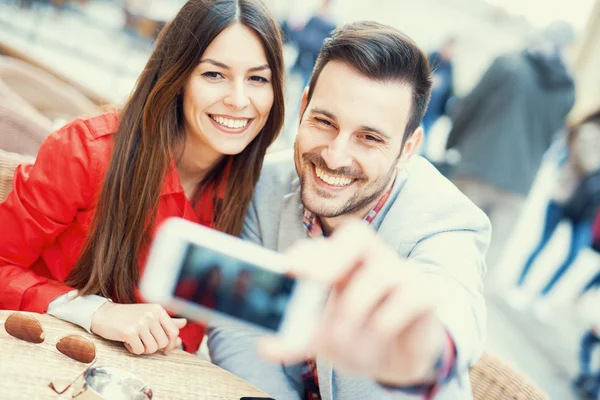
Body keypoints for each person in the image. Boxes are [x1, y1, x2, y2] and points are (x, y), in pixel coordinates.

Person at [208, 21, 490, 399]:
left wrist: (425, 345)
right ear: (303, 106)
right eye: (324, 122)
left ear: (408, 148)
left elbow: (453, 306)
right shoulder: (262, 184)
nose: (334, 156)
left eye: (369, 138)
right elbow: (237, 329)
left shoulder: (447, 221)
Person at [0, 0, 284, 356]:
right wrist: (93, 310)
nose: (240, 100)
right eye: (214, 74)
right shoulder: (87, 152)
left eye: (258, 78)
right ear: (177, 76)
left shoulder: (250, 200)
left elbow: (191, 334)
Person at [445, 21, 576, 267]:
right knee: (485, 261)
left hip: (476, 167)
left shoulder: (508, 65)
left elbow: (469, 107)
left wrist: (452, 143)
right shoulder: (567, 91)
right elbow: (551, 138)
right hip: (518, 186)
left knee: (446, 241)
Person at [509, 114, 600, 306]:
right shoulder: (588, 132)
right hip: (564, 196)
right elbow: (585, 162)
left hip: (587, 209)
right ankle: (519, 285)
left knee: (574, 254)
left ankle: (544, 295)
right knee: (543, 242)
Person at [421, 37, 455, 142]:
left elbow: (450, 87)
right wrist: (431, 79)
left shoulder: (450, 66)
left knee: (426, 136)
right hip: (421, 103)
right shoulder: (431, 57)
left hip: (434, 110)